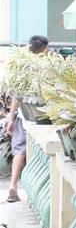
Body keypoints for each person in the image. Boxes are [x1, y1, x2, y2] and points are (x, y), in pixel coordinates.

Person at [5, 36, 49, 202]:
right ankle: (34, 195)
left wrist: (11, 119)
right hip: (41, 116)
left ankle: (13, 185)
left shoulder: (22, 68)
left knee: (19, 151)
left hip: (23, 115)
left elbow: (16, 95)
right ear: (45, 50)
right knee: (37, 153)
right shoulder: (46, 67)